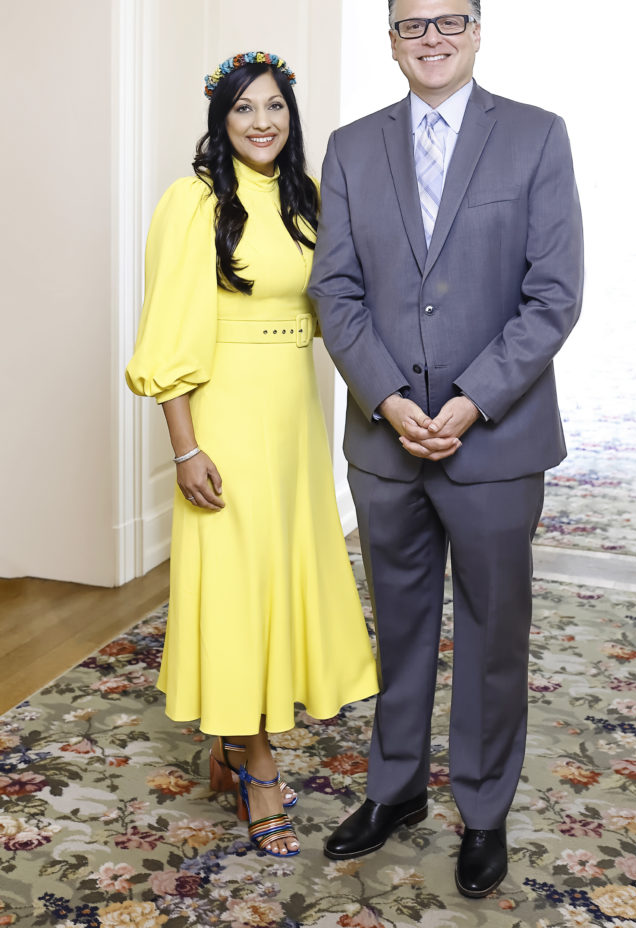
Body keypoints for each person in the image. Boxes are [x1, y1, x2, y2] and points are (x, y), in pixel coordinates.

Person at [309, 0, 583, 895]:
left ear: (475, 30)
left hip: (495, 440)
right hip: (386, 442)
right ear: (389, 39)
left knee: (494, 631)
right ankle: (395, 791)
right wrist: (388, 398)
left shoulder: (536, 138)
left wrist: (470, 399)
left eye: (448, 21)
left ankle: (482, 809)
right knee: (399, 626)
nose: (430, 38)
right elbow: (334, 290)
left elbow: (552, 297)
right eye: (410, 26)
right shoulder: (349, 149)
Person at [126, 51, 378, 858]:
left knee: (280, 577)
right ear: (220, 120)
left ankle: (232, 744)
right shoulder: (193, 201)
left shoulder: (307, 199)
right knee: (236, 587)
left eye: (274, 107)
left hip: (293, 414)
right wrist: (186, 448)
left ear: (290, 116)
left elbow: (334, 305)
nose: (262, 122)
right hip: (224, 413)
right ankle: (257, 767)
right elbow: (167, 331)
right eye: (244, 110)